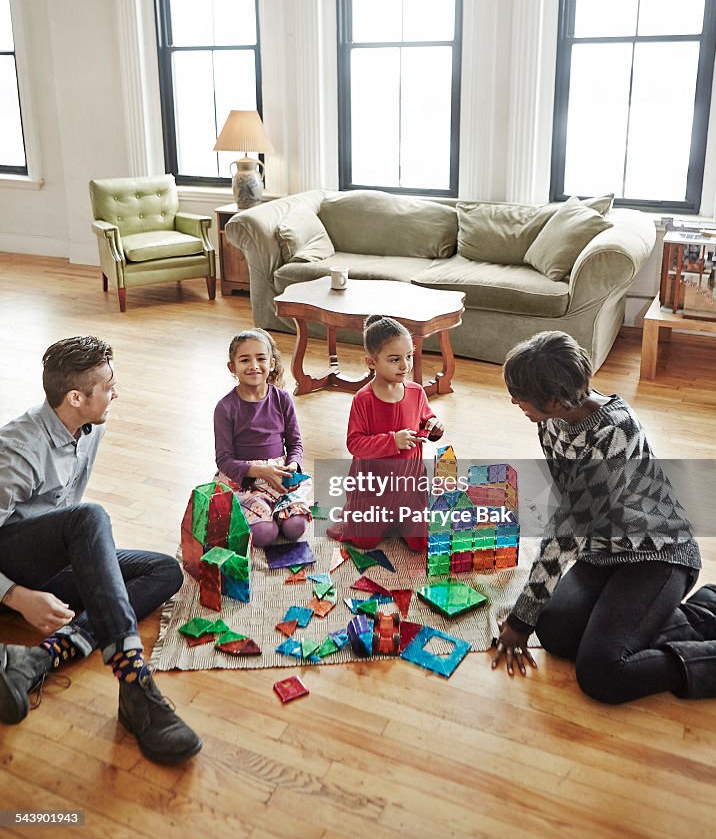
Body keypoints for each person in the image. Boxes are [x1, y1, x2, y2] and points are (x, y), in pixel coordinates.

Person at [491, 330, 716, 703]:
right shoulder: (549, 419)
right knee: (554, 633)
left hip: (656, 554)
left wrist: (520, 621)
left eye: (520, 397)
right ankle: (711, 610)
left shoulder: (616, 430)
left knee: (602, 672)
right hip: (602, 551)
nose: (515, 401)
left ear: (556, 399)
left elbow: (565, 535)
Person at [0, 336, 201, 762]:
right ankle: (135, 687)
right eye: (109, 387)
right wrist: (17, 597)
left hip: (55, 558)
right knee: (90, 517)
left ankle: (38, 660)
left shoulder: (91, 426)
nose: (116, 393)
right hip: (11, 568)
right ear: (76, 397)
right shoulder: (17, 451)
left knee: (165, 571)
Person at [327, 315, 444, 550]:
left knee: (421, 543)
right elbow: (355, 443)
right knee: (365, 543)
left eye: (408, 356)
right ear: (371, 362)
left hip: (409, 486)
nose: (405, 365)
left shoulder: (416, 392)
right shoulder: (363, 399)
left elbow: (425, 419)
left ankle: (401, 519)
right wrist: (392, 441)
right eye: (394, 359)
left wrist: (434, 427)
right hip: (375, 488)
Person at [214, 329, 312, 548]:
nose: (254, 365)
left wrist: (293, 465)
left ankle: (277, 512)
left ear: (272, 363)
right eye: (244, 360)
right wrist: (259, 472)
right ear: (233, 367)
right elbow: (224, 460)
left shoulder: (283, 399)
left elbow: (295, 443)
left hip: (280, 475)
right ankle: (262, 516)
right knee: (265, 535)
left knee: (296, 528)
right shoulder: (225, 408)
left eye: (261, 358)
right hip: (245, 480)